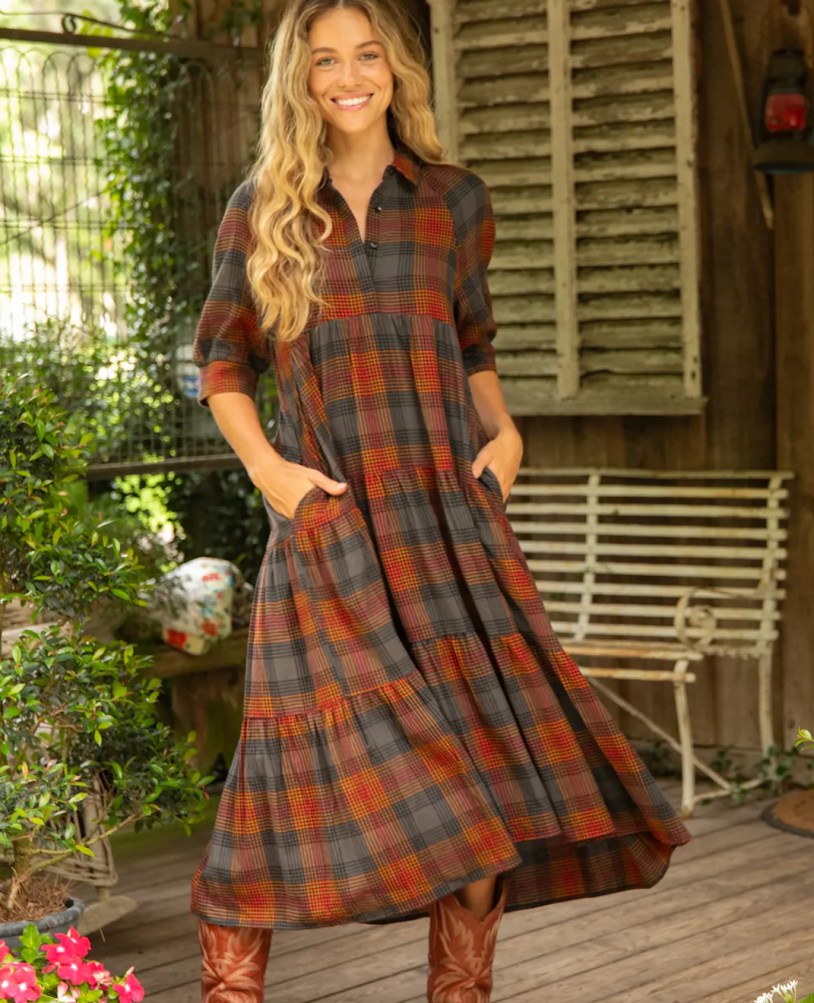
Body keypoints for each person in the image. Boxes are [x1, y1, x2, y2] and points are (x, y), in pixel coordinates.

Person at [191, 1, 691, 1000]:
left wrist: (505, 436)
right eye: (326, 60)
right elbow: (223, 359)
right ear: (300, 76)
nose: (347, 77)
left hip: (447, 532)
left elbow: (471, 346)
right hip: (328, 529)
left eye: (366, 56)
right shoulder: (263, 206)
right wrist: (272, 474)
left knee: (485, 783)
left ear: (396, 70)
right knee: (278, 798)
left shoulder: (454, 200)